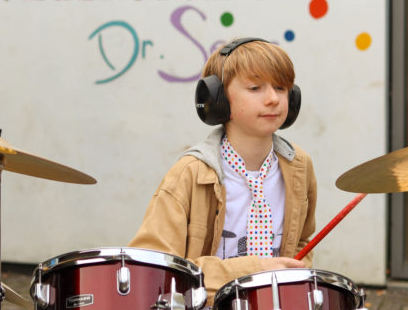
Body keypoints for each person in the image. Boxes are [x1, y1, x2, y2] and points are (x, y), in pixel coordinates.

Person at [129, 38, 316, 305]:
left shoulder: (299, 166)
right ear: (216, 99)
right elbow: (152, 268)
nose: (273, 99)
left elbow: (302, 241)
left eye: (281, 87)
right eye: (255, 88)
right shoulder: (189, 173)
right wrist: (253, 272)